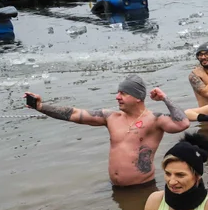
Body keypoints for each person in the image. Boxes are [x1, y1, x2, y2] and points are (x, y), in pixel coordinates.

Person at [25, 76, 190, 187]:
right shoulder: (111, 117)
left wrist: (164, 98)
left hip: (142, 187)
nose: (117, 97)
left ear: (138, 97)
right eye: (118, 93)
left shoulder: (155, 119)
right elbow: (74, 114)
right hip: (116, 187)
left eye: (123, 93)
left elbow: (182, 123)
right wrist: (41, 106)